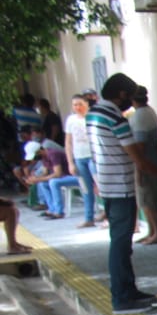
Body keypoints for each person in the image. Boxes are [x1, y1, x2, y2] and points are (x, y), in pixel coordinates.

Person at [87, 72, 157, 315]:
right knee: (120, 245)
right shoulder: (116, 119)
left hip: (108, 186)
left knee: (122, 243)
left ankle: (129, 291)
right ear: (121, 94)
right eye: (129, 97)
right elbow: (140, 160)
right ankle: (122, 299)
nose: (130, 102)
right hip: (121, 188)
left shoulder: (93, 113)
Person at [128, 86, 157, 245]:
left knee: (148, 200)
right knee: (146, 200)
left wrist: (139, 169)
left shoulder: (140, 117)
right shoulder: (149, 112)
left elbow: (140, 146)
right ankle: (152, 231)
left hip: (146, 164)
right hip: (152, 161)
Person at [63, 95, 96, 228]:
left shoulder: (92, 117)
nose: (78, 107)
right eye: (75, 105)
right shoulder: (71, 120)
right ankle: (89, 218)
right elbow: (68, 142)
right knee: (85, 189)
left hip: (93, 157)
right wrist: (70, 162)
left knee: (101, 187)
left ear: (87, 104)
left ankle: (108, 216)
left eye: (80, 104)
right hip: (79, 158)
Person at [22, 140, 77, 220]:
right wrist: (35, 179)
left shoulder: (53, 154)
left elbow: (58, 173)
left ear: (39, 151)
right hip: (64, 177)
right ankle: (52, 209)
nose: (34, 158)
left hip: (74, 177)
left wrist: (38, 179)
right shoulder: (44, 157)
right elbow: (45, 172)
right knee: (43, 183)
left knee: (53, 182)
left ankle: (59, 211)